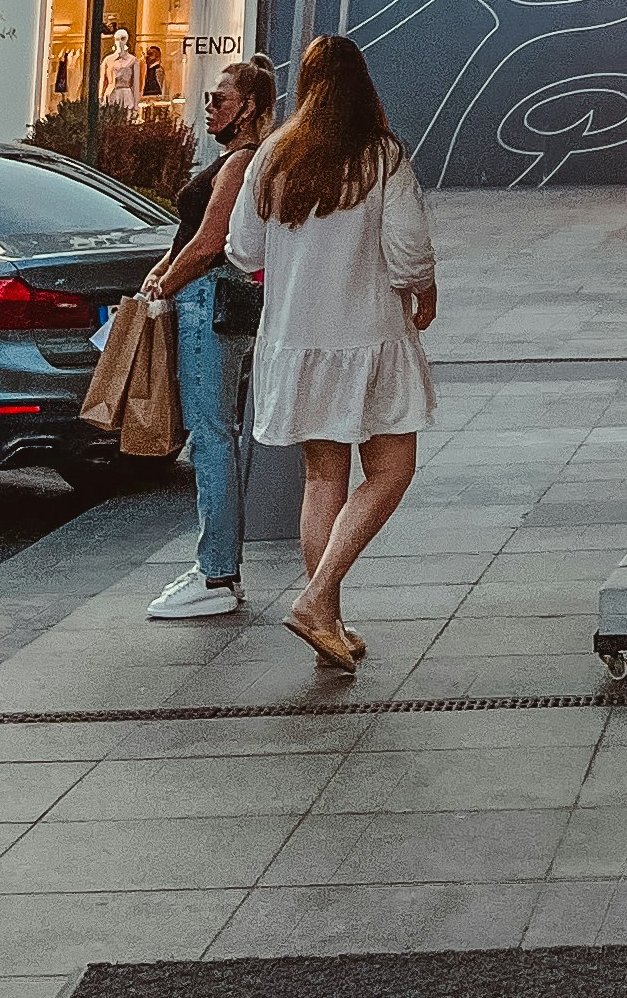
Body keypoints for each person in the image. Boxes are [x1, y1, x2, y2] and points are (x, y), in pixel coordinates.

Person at [226, 33, 437, 672]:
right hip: (368, 337)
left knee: (323, 478)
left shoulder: (273, 155)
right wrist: (425, 289)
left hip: (297, 342)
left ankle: (329, 622)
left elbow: (244, 250)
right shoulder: (380, 155)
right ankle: (318, 602)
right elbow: (407, 250)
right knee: (393, 468)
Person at [135, 50, 277, 623]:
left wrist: (164, 285)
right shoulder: (233, 160)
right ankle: (217, 570)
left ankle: (215, 573)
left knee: (212, 434)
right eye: (209, 98)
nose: (209, 107)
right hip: (204, 298)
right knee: (214, 431)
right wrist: (161, 273)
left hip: (209, 300)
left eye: (220, 99)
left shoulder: (242, 161)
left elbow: (210, 241)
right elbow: (190, 237)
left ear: (249, 107)